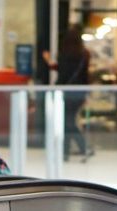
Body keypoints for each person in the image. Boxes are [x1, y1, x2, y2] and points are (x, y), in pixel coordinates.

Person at [43, 25, 92, 161]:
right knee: (68, 122)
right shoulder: (85, 54)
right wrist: (87, 94)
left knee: (68, 123)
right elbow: (85, 76)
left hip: (65, 93)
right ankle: (69, 152)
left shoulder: (64, 53)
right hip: (79, 93)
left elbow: (62, 73)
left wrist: (49, 63)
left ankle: (78, 149)